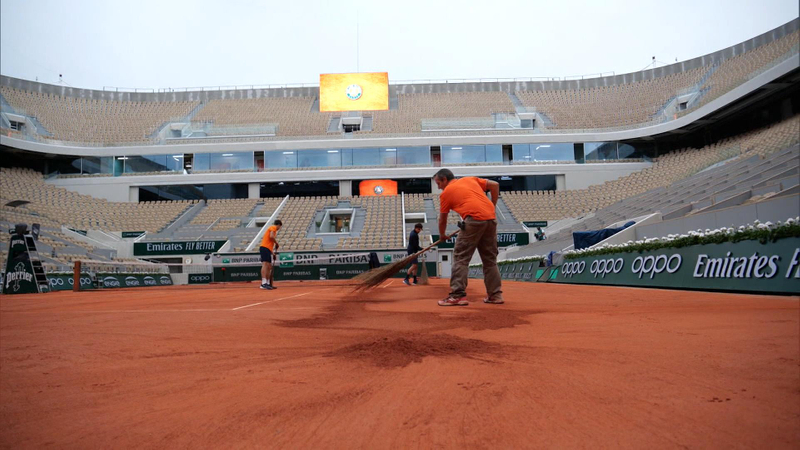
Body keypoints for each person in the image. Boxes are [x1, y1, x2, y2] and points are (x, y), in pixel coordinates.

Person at [434, 169, 503, 306]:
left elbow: (442, 220)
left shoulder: (446, 193)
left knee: (461, 258)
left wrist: (442, 235)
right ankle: (495, 295)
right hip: (490, 219)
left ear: (444, 180)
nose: (438, 187)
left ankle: (457, 295)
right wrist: (492, 206)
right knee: (490, 261)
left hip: (473, 220)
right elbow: (495, 185)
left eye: (438, 183)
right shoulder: (469, 179)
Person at [259, 219, 282, 290]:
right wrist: (276, 243)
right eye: (280, 227)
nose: (279, 228)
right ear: (278, 225)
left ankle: (268, 283)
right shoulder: (273, 227)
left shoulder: (273, 229)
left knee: (269, 266)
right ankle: (263, 283)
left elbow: (270, 245)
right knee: (265, 264)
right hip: (264, 248)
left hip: (268, 249)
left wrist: (273, 253)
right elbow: (271, 237)